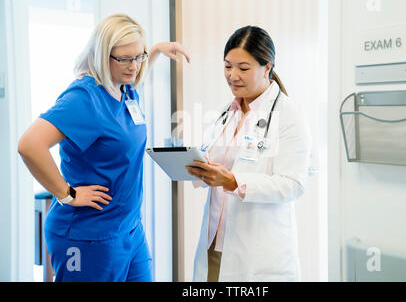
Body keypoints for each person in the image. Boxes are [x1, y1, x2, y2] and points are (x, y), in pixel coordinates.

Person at [18, 14, 190, 282]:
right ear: (101, 55)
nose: (133, 66)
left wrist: (155, 51)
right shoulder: (84, 99)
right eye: (124, 59)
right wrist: (67, 194)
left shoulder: (124, 88)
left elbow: (136, 73)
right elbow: (29, 145)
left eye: (139, 56)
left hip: (129, 229)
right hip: (88, 235)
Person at [186, 26, 312, 282]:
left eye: (243, 68)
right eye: (227, 66)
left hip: (258, 254)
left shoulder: (289, 115)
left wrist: (233, 182)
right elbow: (213, 162)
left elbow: (294, 184)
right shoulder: (226, 113)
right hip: (215, 244)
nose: (233, 76)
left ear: (267, 68)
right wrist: (198, 167)